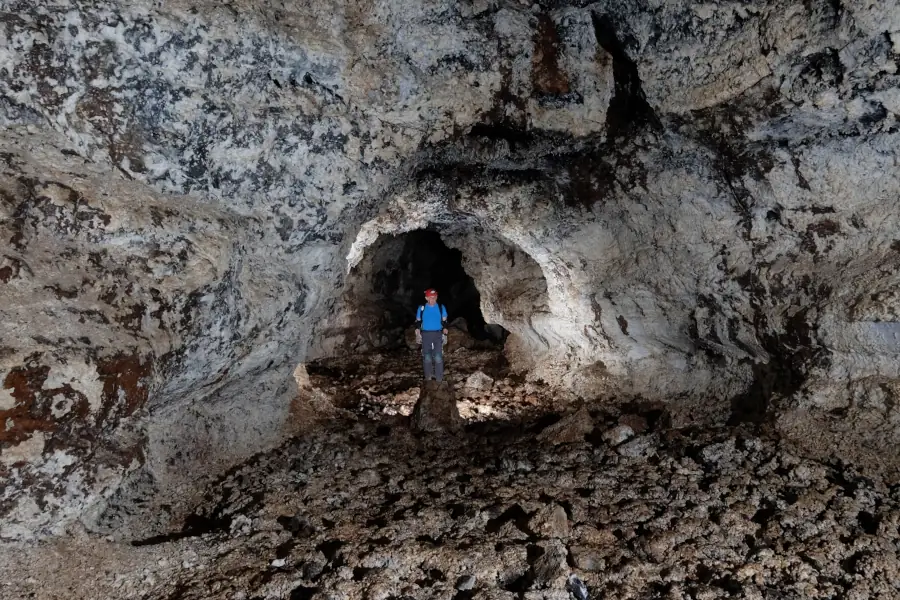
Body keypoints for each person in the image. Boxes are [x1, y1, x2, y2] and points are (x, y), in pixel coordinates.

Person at [415, 288, 448, 381]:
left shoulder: (441, 307)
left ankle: (439, 379)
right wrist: (417, 330)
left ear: (437, 297)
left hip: (438, 334)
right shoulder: (421, 308)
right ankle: (428, 378)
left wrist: (445, 328)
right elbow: (418, 321)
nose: (432, 299)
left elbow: (445, 320)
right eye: (430, 297)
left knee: (438, 357)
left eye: (434, 297)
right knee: (427, 357)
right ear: (426, 298)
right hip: (425, 334)